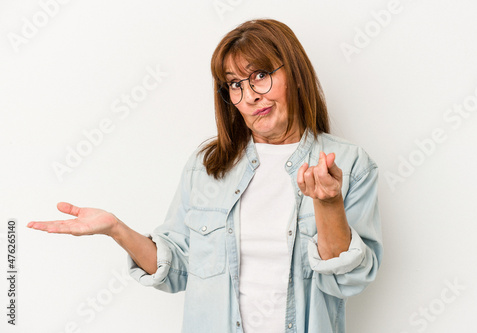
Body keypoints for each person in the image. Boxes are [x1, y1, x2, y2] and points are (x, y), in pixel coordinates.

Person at [28, 19, 383, 333]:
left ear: (294, 72)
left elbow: (348, 279)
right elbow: (178, 268)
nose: (250, 96)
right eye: (235, 85)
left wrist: (328, 202)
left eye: (260, 75)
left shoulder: (349, 164)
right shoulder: (207, 165)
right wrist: (117, 229)